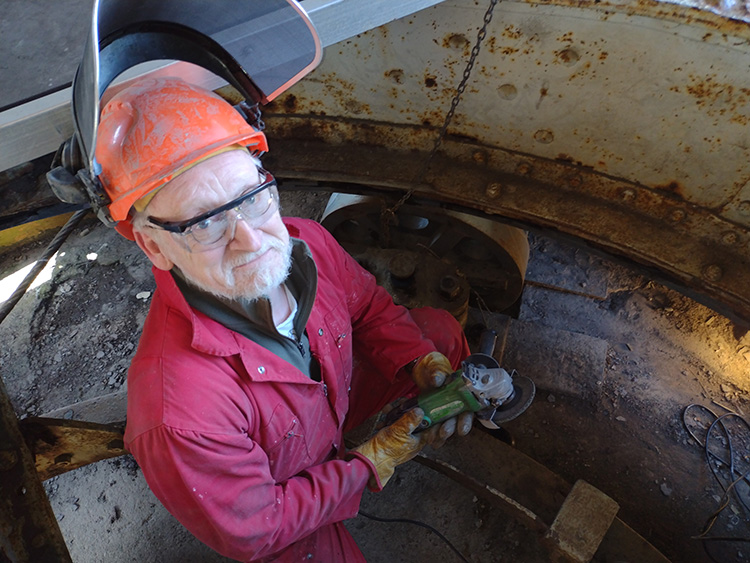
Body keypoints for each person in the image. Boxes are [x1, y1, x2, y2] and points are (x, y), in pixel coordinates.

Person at [97, 76, 472, 562]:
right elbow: (256, 527)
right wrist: (367, 464)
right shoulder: (180, 412)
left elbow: (368, 307)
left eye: (251, 198)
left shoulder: (307, 243)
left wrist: (418, 361)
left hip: (325, 409)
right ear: (154, 246)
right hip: (280, 485)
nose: (250, 239)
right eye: (204, 223)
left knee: (436, 333)